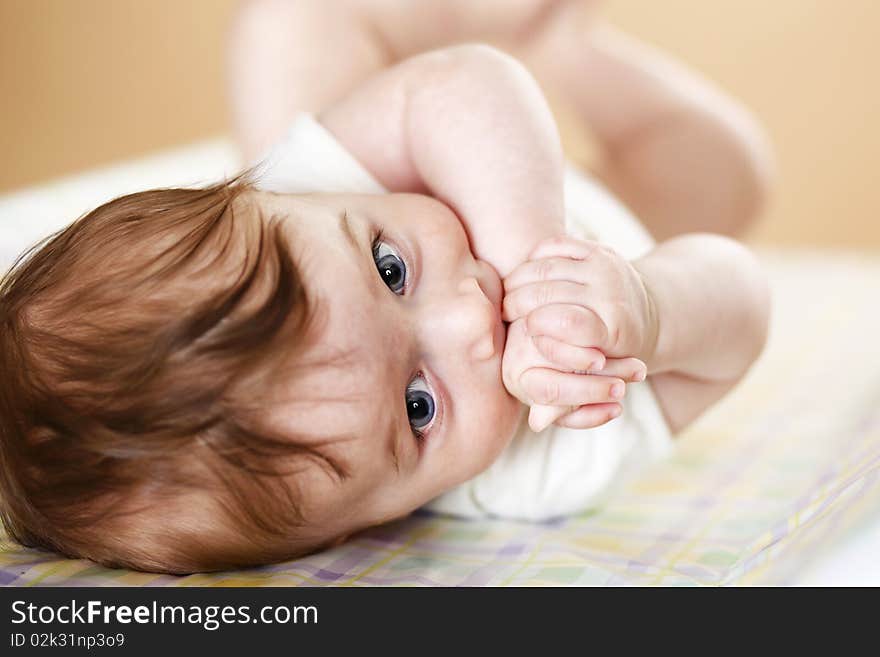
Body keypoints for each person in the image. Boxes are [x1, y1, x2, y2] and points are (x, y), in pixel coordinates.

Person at [0, 0, 771, 573]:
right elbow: (742, 306)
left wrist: (533, 251)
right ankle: (568, 43)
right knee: (731, 168)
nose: (473, 315)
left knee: (289, 21)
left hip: (420, 159)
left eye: (392, 271)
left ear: (263, 203)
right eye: (419, 406)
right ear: (359, 525)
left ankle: (502, 17)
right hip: (629, 222)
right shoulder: (537, 462)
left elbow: (467, 84)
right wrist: (649, 307)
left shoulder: (309, 210)